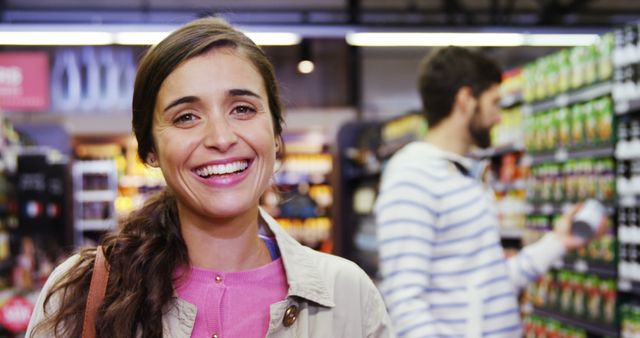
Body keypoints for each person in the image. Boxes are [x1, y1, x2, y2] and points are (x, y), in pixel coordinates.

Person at [26, 17, 393, 338]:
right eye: (186, 116)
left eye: (243, 109)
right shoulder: (83, 290)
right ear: (150, 150)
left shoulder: (348, 295)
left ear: (275, 133)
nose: (220, 138)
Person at [374, 46, 606, 337]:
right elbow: (404, 298)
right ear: (465, 100)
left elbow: (490, 283)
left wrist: (558, 241)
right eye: (494, 102)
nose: (498, 117)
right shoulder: (413, 175)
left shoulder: (461, 174)